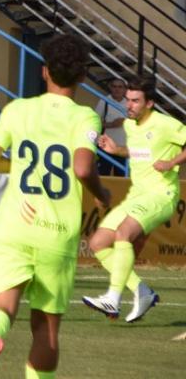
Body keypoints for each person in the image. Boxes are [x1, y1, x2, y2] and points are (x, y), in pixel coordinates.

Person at [0, 33, 109, 379]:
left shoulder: (17, 109)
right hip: (55, 233)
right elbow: (84, 167)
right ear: (83, 76)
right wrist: (103, 195)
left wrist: (21, 166)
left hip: (13, 227)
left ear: (45, 72)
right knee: (45, 330)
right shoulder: (85, 117)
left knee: (2, 308)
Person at [82, 75, 186, 323]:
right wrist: (117, 151)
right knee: (97, 243)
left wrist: (172, 162)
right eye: (128, 100)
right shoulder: (130, 126)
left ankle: (113, 297)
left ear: (149, 103)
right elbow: (140, 151)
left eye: (136, 101)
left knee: (123, 234)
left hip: (162, 194)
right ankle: (142, 292)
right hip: (137, 195)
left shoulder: (165, 124)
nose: (129, 105)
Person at [94, 77, 128, 175]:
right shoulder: (104, 101)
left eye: (120, 87)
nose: (117, 89)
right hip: (105, 146)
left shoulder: (129, 103)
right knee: (103, 176)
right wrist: (111, 124)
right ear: (110, 87)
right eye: (114, 86)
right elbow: (95, 123)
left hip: (123, 147)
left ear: (125, 89)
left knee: (122, 178)